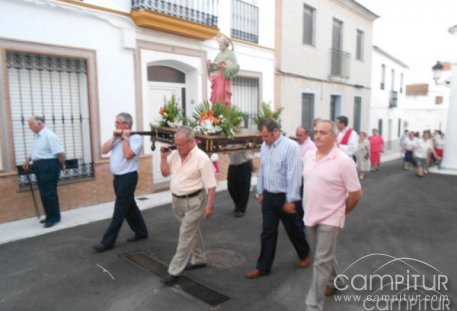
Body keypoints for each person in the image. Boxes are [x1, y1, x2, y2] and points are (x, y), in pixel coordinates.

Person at [302, 119, 363, 311]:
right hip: (310, 214)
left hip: (331, 218)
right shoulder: (309, 156)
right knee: (325, 256)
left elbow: (356, 193)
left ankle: (313, 305)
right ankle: (340, 281)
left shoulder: (344, 162)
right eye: (316, 132)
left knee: (320, 262)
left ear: (334, 136)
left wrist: (341, 213)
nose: (318, 136)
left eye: (323, 132)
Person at [246, 119, 311, 279]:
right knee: (267, 232)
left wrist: (291, 199)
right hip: (268, 196)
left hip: (285, 196)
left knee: (293, 229)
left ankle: (305, 254)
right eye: (262, 136)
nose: (264, 139)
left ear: (276, 132)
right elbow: (263, 170)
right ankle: (263, 267)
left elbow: (294, 175)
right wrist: (260, 191)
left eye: (266, 136)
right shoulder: (264, 146)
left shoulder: (291, 147)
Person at [159, 126, 217, 285]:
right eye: (176, 144)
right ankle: (199, 259)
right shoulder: (175, 155)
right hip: (177, 202)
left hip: (195, 202)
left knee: (185, 235)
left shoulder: (202, 158)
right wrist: (164, 158)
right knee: (191, 231)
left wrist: (209, 207)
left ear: (191, 142)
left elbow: (211, 186)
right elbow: (165, 173)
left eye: (181, 144)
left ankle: (174, 271)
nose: (178, 148)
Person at [93, 113, 148, 252]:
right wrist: (114, 137)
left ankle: (107, 242)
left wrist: (124, 138)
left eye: (118, 123)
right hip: (117, 178)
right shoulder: (116, 138)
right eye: (116, 122)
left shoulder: (136, 138)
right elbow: (104, 150)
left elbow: (128, 155)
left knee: (120, 209)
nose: (115, 125)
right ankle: (141, 232)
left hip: (128, 177)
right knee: (129, 206)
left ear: (127, 125)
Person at [23, 116, 66, 228]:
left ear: (39, 123)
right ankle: (49, 216)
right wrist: (28, 159)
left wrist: (61, 165)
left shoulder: (49, 136)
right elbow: (36, 152)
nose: (29, 127)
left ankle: (54, 218)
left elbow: (60, 153)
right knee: (44, 192)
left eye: (31, 125)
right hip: (40, 165)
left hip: (49, 165)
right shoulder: (37, 136)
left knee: (49, 192)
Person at [207, 34, 240, 107]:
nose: (219, 45)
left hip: (223, 78)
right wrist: (210, 65)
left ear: (225, 43)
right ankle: (215, 114)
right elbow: (214, 68)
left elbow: (236, 67)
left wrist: (225, 67)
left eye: (220, 43)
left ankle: (223, 114)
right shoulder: (219, 54)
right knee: (215, 96)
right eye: (218, 43)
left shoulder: (231, 54)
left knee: (220, 94)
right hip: (216, 79)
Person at [227, 150, 253, 218]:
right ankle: (238, 204)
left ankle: (241, 209)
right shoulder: (230, 140)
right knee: (231, 187)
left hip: (244, 164)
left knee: (244, 188)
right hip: (232, 165)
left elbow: (251, 151)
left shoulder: (244, 140)